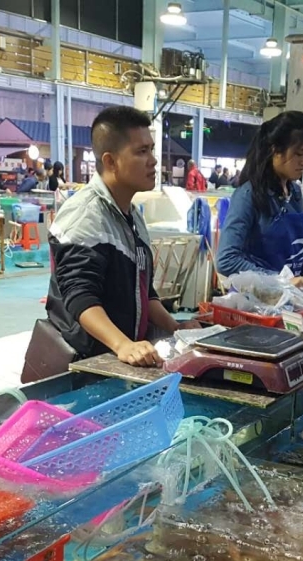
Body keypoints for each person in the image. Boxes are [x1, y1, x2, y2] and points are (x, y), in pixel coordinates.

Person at [41, 106, 199, 369]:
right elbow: (81, 297)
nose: (153, 160)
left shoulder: (132, 215)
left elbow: (144, 292)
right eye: (141, 152)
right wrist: (122, 345)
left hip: (121, 359)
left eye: (151, 149)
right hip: (85, 363)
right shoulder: (84, 216)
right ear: (110, 161)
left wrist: (175, 327)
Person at [216, 111, 303, 295]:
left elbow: (296, 245)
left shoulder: (295, 192)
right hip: (255, 302)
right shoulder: (248, 195)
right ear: (275, 150)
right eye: (299, 154)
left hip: (288, 299)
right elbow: (226, 259)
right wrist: (279, 281)